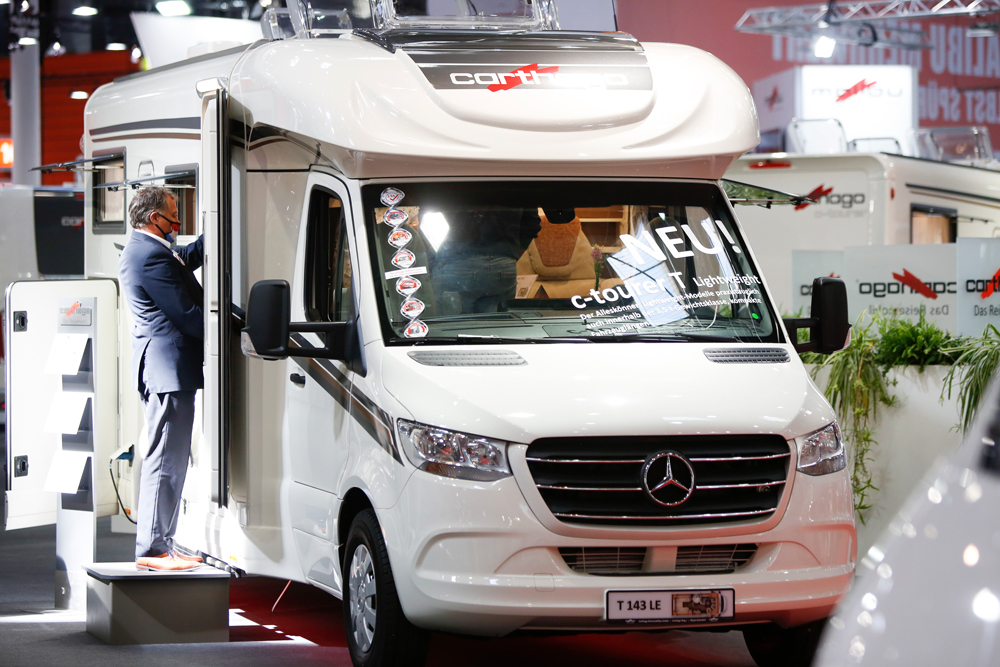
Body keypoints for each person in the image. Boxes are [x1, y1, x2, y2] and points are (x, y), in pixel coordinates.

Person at [118, 186, 205, 571]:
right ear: (154, 218)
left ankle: (161, 543)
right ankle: (153, 550)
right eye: (173, 216)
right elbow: (187, 315)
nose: (179, 223)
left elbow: (185, 259)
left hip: (165, 371)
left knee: (170, 460)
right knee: (166, 462)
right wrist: (235, 329)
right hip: (168, 371)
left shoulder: (149, 249)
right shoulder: (150, 256)